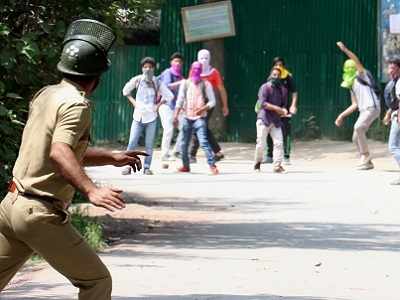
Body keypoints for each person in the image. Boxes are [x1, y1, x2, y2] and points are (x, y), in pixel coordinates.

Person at [0, 19, 147, 300]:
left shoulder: (47, 94)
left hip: (12, 206)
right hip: (38, 214)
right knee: (97, 282)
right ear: (97, 78)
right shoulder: (77, 105)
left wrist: (111, 157)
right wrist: (92, 190)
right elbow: (59, 152)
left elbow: (52, 149)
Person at [121, 56, 174, 175]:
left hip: (151, 117)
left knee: (149, 144)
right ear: (142, 68)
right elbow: (125, 91)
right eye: (145, 67)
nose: (147, 69)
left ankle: (146, 167)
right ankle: (127, 166)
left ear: (153, 69)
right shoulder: (137, 80)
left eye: (150, 67)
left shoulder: (157, 82)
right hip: (137, 116)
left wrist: (158, 105)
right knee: (132, 142)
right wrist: (134, 103)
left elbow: (169, 96)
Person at [335, 41, 381, 170]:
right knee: (356, 138)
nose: (350, 69)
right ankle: (368, 163)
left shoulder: (362, 74)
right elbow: (354, 105)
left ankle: (365, 156)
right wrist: (341, 115)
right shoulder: (350, 84)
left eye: (351, 67)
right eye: (347, 67)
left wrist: (345, 49)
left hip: (372, 107)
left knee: (358, 127)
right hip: (363, 110)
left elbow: (356, 59)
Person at [173, 62, 219, 175]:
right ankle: (185, 166)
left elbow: (213, 101)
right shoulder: (185, 83)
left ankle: (212, 165)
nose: (196, 71)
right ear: (191, 69)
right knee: (184, 143)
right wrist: (175, 116)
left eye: (198, 69)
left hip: (200, 118)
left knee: (203, 142)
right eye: (194, 69)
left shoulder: (206, 84)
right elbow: (180, 100)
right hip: (187, 117)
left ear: (201, 70)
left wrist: (203, 108)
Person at [189, 49, 229, 163]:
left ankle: (192, 154)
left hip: (208, 104)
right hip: (195, 101)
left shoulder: (214, 72)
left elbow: (221, 89)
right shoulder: (195, 69)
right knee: (202, 127)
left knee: (200, 126)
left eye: (206, 58)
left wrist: (225, 106)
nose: (203, 60)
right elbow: (189, 85)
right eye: (201, 58)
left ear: (210, 58)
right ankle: (217, 152)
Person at [264, 57, 298, 165]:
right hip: (273, 110)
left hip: (285, 110)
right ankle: (269, 156)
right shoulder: (270, 78)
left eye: (281, 65)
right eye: (276, 65)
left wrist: (293, 105)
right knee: (270, 132)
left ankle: (286, 156)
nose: (279, 67)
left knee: (286, 132)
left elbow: (294, 92)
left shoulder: (288, 77)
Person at [254, 67, 289, 173]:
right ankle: (257, 163)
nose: (276, 77)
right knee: (261, 144)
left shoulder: (283, 90)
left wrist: (284, 110)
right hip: (264, 119)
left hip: (276, 121)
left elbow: (283, 106)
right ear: (270, 75)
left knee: (279, 143)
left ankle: (277, 166)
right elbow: (263, 103)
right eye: (274, 74)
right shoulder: (264, 87)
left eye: (278, 75)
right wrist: (277, 109)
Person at [158, 52, 184, 168]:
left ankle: (176, 151)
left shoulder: (180, 76)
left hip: (175, 107)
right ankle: (164, 154)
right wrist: (181, 83)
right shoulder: (168, 72)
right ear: (171, 62)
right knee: (168, 129)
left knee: (184, 128)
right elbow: (166, 87)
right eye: (175, 61)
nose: (177, 63)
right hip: (165, 105)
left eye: (179, 61)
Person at [383, 58, 400, 184]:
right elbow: (395, 101)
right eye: (389, 68)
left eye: (392, 68)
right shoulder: (395, 82)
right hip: (395, 114)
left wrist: (398, 115)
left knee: (393, 146)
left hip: (398, 117)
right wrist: (389, 113)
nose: (389, 71)